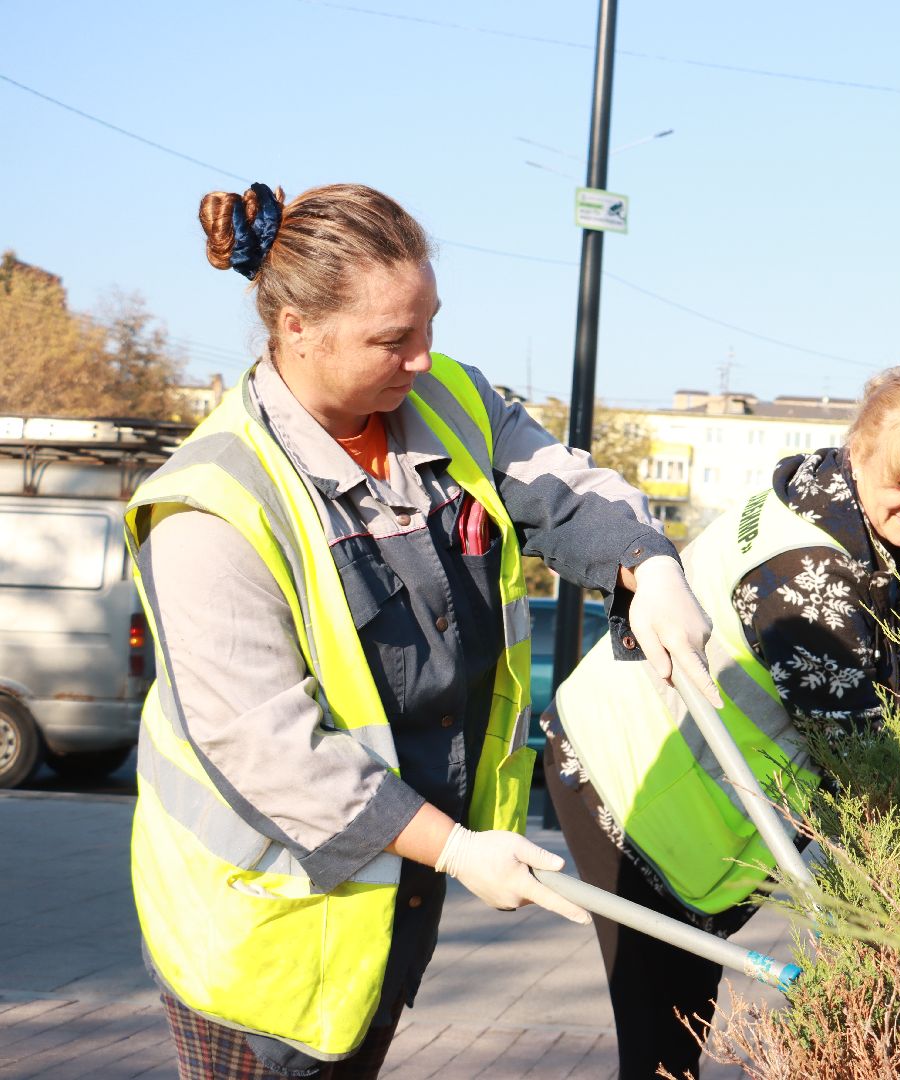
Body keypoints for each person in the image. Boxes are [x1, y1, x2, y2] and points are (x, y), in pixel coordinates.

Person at [125, 181, 720, 1080]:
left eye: (429, 324)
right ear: (296, 328)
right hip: (257, 934)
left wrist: (652, 565)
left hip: (384, 912)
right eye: (392, 339)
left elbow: (566, 489)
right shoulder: (211, 507)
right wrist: (455, 848)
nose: (422, 358)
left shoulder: (450, 401)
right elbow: (265, 748)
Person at [544, 366, 900, 1077]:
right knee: (663, 1039)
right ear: (860, 451)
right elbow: (861, 758)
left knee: (677, 1029)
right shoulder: (805, 573)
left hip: (680, 787)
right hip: (624, 777)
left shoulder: (848, 518)